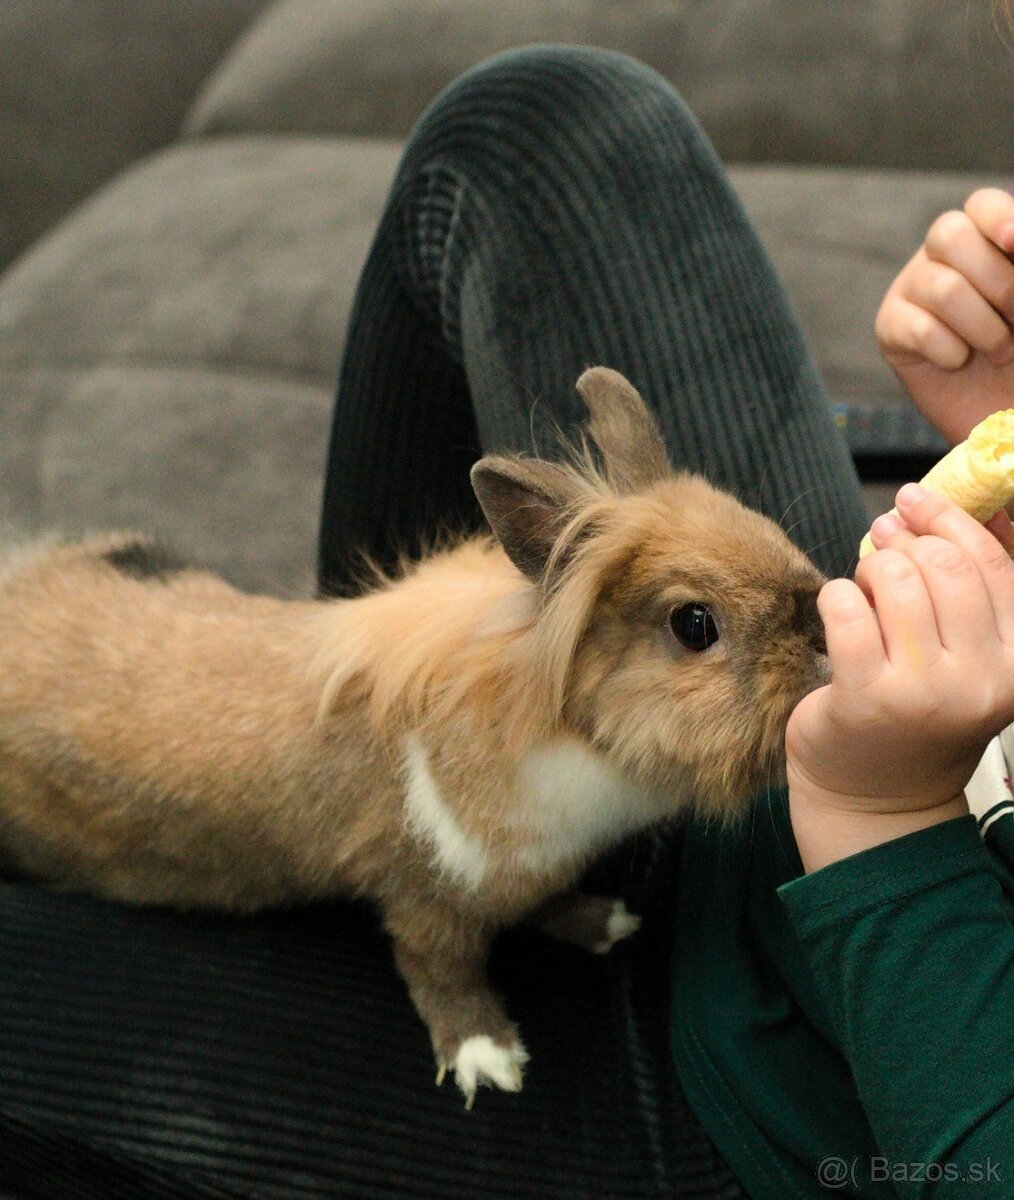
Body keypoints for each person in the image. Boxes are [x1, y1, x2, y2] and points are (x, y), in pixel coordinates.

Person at [0, 40, 1011, 1200]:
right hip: (875, 835)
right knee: (542, 124)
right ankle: (386, 769)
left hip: (814, 1098)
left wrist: (887, 814)